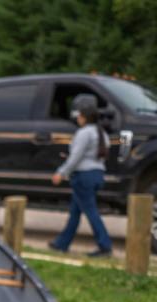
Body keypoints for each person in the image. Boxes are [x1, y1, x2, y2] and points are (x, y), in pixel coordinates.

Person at [48, 94, 112, 257]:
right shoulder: (102, 133)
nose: (77, 119)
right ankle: (62, 243)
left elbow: (75, 157)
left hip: (84, 176)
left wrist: (61, 172)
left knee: (91, 211)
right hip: (98, 174)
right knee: (75, 212)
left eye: (79, 116)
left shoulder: (84, 133)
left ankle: (105, 245)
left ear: (84, 116)